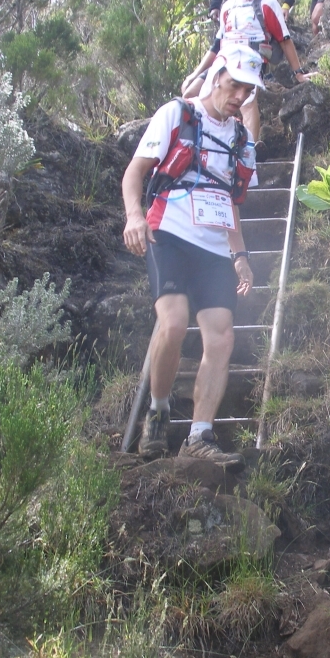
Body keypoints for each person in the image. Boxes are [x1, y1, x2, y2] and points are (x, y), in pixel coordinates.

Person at [122, 44, 263, 465]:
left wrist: (241, 256)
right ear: (216, 75)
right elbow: (135, 172)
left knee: (221, 335)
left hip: (215, 248)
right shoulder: (177, 114)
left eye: (247, 89)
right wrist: (134, 217)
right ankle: (158, 411)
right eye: (234, 84)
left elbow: (230, 203)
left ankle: (200, 436)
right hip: (169, 232)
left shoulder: (241, 139)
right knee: (174, 322)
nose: (239, 95)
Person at [183, 0, 310, 144]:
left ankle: (250, 149)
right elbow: (217, 45)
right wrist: (195, 73)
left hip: (251, 59)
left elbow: (284, 40)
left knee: (247, 104)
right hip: (224, 61)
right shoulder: (227, 6)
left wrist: (298, 73)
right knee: (190, 95)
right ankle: (198, 142)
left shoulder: (267, 3)